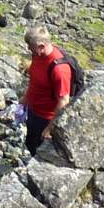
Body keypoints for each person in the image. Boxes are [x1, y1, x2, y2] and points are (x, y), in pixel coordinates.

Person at [22, 25, 76, 156]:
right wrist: (24, 99)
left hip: (45, 118)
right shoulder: (37, 55)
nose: (29, 50)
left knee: (38, 150)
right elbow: (34, 79)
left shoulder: (60, 69)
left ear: (41, 46)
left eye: (31, 47)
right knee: (29, 143)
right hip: (33, 110)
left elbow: (63, 101)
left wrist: (49, 129)